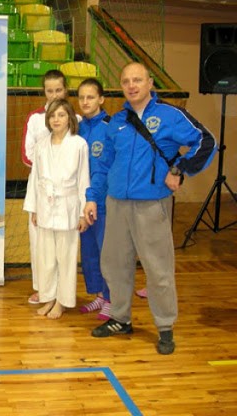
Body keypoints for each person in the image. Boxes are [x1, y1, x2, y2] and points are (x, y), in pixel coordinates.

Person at [85, 62, 217, 355]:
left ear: (150, 83)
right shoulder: (116, 122)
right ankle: (120, 318)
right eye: (126, 81)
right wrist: (93, 196)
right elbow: (103, 165)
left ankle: (165, 327)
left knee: (158, 270)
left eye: (137, 80)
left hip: (152, 205)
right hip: (116, 204)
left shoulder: (171, 115)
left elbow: (206, 141)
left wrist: (181, 169)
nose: (132, 86)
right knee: (114, 265)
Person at [23, 99, 89, 319]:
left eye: (61, 115)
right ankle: (48, 297)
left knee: (66, 257)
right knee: (46, 257)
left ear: (70, 117)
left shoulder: (79, 144)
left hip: (68, 206)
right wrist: (33, 208)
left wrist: (82, 212)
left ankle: (62, 301)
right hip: (44, 205)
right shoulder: (41, 145)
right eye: (52, 116)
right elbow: (35, 180)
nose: (56, 119)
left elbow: (83, 179)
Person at [21, 69, 69, 305]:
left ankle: (62, 290)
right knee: (39, 241)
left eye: (58, 90)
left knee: (64, 243)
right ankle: (41, 288)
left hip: (67, 190)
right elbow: (26, 154)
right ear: (44, 92)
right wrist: (48, 168)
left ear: (65, 90)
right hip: (40, 188)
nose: (53, 95)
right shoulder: (34, 119)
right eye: (49, 91)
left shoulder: (75, 119)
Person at [77, 78, 111, 320]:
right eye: (81, 97)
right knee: (89, 252)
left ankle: (111, 299)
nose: (85, 102)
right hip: (82, 201)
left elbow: (102, 169)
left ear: (101, 99)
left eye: (90, 97)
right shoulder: (78, 128)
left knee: (106, 252)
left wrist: (93, 197)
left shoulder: (110, 127)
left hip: (103, 202)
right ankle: (98, 295)